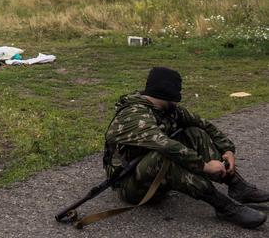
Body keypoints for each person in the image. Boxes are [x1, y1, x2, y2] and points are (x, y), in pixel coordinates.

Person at [103, 67, 268, 229]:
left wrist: (228, 150)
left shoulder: (165, 108)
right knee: (163, 156)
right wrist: (205, 166)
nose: (178, 102)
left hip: (151, 174)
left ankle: (236, 185)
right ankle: (224, 207)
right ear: (168, 95)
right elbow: (167, 146)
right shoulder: (133, 116)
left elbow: (204, 125)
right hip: (132, 187)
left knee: (195, 133)